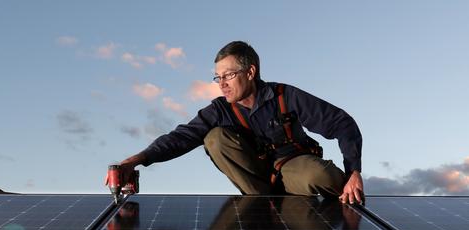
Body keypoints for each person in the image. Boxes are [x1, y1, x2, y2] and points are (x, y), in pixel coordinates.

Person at [113, 41, 364, 204]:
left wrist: (354, 171)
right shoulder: (219, 110)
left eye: (229, 75)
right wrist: (136, 160)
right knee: (213, 137)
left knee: (322, 175)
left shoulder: (285, 96)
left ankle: (344, 208)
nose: (222, 83)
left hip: (295, 169)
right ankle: (262, 207)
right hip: (258, 184)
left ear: (251, 72)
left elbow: (342, 123)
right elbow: (180, 138)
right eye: (217, 77)